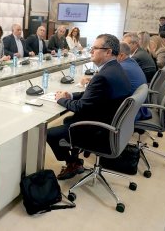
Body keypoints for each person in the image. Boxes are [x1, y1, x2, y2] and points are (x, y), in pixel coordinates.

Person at [46, 34, 131, 180]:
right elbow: (92, 95)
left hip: (98, 129)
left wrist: (60, 100)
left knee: (50, 133)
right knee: (68, 121)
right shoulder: (115, 68)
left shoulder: (103, 76)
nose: (91, 51)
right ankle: (74, 162)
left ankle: (73, 163)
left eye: (95, 48)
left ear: (108, 52)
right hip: (109, 122)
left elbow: (81, 107)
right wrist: (71, 96)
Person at [117, 42, 151, 120]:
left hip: (130, 114)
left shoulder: (122, 68)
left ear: (121, 55)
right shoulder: (131, 62)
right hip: (139, 109)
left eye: (112, 55)